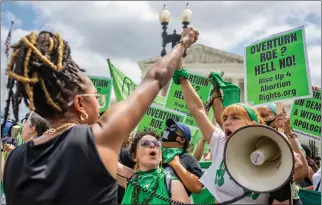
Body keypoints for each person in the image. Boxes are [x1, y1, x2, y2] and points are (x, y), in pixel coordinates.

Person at [2, 29, 199, 204]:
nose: (99, 102)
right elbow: (155, 78)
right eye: (96, 95)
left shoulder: (13, 159)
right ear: (80, 104)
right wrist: (183, 43)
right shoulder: (97, 139)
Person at [176, 66, 294, 204]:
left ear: (252, 123)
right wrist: (182, 77)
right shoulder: (221, 141)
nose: (226, 123)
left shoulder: (277, 151)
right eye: (225, 119)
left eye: (235, 118)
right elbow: (197, 110)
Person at [117, 130, 190, 204]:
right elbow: (106, 155)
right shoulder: (131, 179)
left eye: (156, 144)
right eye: (145, 143)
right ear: (135, 156)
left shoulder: (173, 185)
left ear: (161, 157)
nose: (152, 145)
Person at [161, 119, 204, 195]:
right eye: (169, 127)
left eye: (174, 129)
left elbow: (198, 187)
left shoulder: (188, 159)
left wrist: (176, 165)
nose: (168, 130)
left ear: (181, 140)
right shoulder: (154, 153)